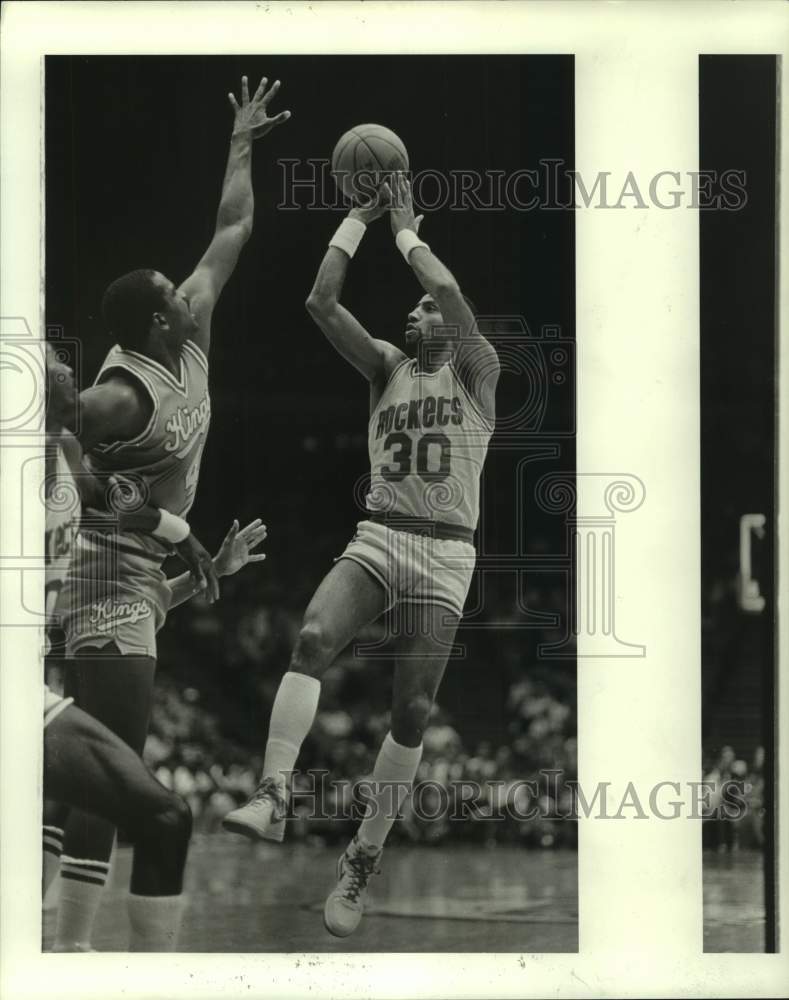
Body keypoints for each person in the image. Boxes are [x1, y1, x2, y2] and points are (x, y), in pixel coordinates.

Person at [45, 73, 289, 952]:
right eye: (173, 294)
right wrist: (92, 489)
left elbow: (232, 229)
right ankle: (67, 952)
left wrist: (240, 141)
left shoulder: (189, 333)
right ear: (153, 323)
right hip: (107, 566)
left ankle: (55, 931)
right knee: (115, 772)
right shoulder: (117, 394)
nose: (191, 292)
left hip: (150, 566)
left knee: (103, 770)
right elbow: (47, 418)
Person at [223, 173, 499, 937]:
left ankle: (360, 861)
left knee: (409, 712)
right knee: (310, 638)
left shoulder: (480, 373)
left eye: (421, 307)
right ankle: (274, 793)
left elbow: (447, 291)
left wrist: (410, 236)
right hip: (381, 533)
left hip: (446, 556)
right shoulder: (385, 367)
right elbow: (317, 304)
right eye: (412, 307)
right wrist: (355, 218)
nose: (413, 312)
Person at [42, 345, 267, 950]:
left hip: (42, 661)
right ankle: (68, 945)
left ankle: (51, 942)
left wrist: (202, 559)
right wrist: (184, 537)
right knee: (126, 798)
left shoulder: (69, 458)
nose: (73, 370)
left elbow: (123, 518)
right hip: (59, 642)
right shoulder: (35, 457)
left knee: (75, 798)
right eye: (57, 363)